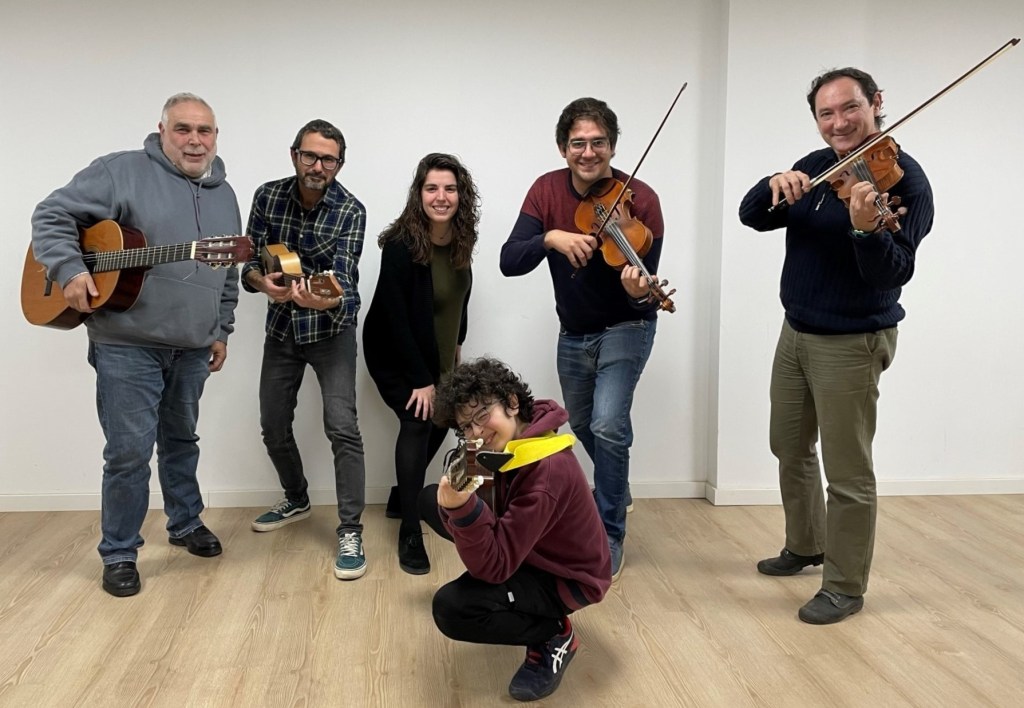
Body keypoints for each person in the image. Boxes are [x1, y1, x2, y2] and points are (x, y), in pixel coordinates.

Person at [738, 68, 934, 624]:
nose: (839, 122)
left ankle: (845, 585)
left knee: (847, 472)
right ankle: (806, 545)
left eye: (850, 108)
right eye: (827, 114)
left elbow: (892, 273)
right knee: (789, 445)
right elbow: (752, 217)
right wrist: (774, 182)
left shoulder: (904, 184)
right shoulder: (817, 165)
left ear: (876, 103)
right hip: (795, 330)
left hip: (851, 341)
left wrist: (866, 229)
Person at [30, 93, 242, 597]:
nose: (195, 140)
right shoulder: (119, 172)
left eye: (205, 131)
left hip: (192, 345)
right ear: (162, 131)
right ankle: (120, 552)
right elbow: (51, 214)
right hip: (127, 343)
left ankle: (185, 522)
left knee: (181, 441)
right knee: (128, 452)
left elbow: (227, 268)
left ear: (216, 136)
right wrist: (71, 268)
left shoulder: (225, 194)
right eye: (184, 129)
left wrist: (221, 328)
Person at [500, 97, 665, 580]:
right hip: (573, 332)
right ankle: (619, 488)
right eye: (578, 143)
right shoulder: (546, 191)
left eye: (598, 143)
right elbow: (510, 260)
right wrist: (550, 237)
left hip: (626, 327)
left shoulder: (642, 200)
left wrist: (640, 291)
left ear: (612, 146)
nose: (588, 152)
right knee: (586, 426)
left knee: (611, 425)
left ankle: (609, 531)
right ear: (562, 147)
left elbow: (646, 291)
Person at [418, 357, 610, 702]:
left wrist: (461, 509)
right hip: (531, 549)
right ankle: (523, 604)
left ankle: (553, 634)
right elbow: (487, 509)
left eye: (481, 416)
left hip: (566, 577)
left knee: (453, 608)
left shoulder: (545, 471)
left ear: (512, 403)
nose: (476, 432)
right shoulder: (505, 443)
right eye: (465, 426)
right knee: (430, 500)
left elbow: (494, 567)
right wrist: (458, 504)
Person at [241, 119, 369, 580]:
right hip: (281, 330)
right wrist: (262, 282)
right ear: (294, 154)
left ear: (340, 163)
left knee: (343, 428)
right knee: (272, 426)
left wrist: (326, 298)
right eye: (310, 156)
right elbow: (251, 262)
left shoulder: (351, 210)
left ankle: (351, 528)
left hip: (330, 331)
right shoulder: (267, 196)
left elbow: (346, 281)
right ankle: (296, 497)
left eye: (328, 159)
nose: (317, 166)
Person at [362, 153, 480, 575]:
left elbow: (459, 295)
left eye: (450, 188)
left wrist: (457, 346)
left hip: (436, 352)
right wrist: (420, 380)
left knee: (445, 420)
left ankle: (400, 496)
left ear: (461, 195)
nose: (441, 196)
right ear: (419, 193)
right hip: (393, 353)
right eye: (432, 188)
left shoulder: (462, 240)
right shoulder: (400, 244)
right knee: (417, 421)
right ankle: (410, 529)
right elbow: (394, 315)